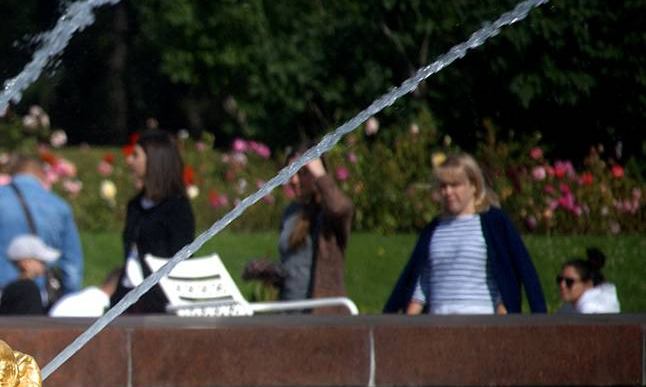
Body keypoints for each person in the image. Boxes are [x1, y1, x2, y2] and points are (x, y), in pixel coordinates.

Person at [384, 153, 546, 314]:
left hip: (481, 322)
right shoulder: (433, 229)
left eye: (455, 185)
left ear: (474, 185)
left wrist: (504, 319)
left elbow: (510, 274)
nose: (448, 192)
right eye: (443, 186)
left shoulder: (494, 222)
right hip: (438, 323)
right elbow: (422, 279)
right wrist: (407, 321)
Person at [0, 154, 83, 316]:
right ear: (42, 176)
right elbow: (72, 265)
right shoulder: (60, 206)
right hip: (39, 301)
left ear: (12, 174)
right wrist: (68, 299)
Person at [242, 153, 354, 313]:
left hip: (320, 315)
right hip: (288, 310)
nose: (293, 180)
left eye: (302, 172)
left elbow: (341, 208)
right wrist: (271, 272)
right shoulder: (291, 212)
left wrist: (322, 176)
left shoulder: (328, 214)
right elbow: (296, 267)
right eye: (290, 173)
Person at [117, 130, 195, 315]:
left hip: (160, 302)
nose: (129, 160)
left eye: (136, 155)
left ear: (155, 160)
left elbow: (180, 261)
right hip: (127, 297)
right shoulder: (135, 205)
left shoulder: (176, 208)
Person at [0, 234, 64, 315]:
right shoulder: (28, 289)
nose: (44, 264)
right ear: (25, 263)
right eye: (41, 261)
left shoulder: (13, 288)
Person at [556, 248, 619, 313]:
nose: (562, 285)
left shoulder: (592, 310)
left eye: (569, 282)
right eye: (559, 280)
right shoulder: (572, 305)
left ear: (588, 284)